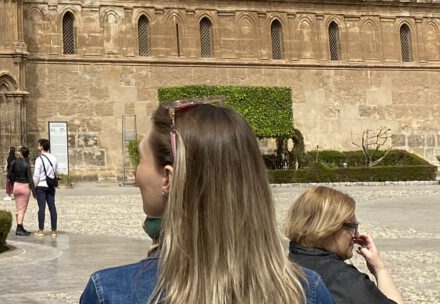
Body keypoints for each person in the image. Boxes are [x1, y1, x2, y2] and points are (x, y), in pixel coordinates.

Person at [78, 101, 334, 304]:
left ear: (168, 178)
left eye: (141, 159)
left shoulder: (110, 293)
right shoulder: (306, 291)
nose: (136, 174)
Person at [286, 186, 404, 303]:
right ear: (328, 227)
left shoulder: (285, 266)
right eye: (352, 226)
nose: (356, 235)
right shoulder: (344, 279)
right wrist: (380, 268)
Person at [33, 138, 58, 237]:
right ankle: (54, 230)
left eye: (39, 144)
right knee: (52, 208)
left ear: (42, 146)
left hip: (41, 186)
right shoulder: (54, 158)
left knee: (41, 208)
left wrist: (34, 187)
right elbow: (56, 172)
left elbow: (36, 176)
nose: (37, 146)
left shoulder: (39, 159)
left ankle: (41, 229)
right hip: (50, 186)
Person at [9, 146, 33, 236]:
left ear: (21, 153)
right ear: (27, 154)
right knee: (22, 209)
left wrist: (13, 181)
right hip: (24, 186)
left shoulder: (14, 162)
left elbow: (9, 174)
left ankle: (21, 226)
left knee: (19, 208)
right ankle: (19, 228)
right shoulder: (27, 164)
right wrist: (34, 192)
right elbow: (30, 179)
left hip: (16, 186)